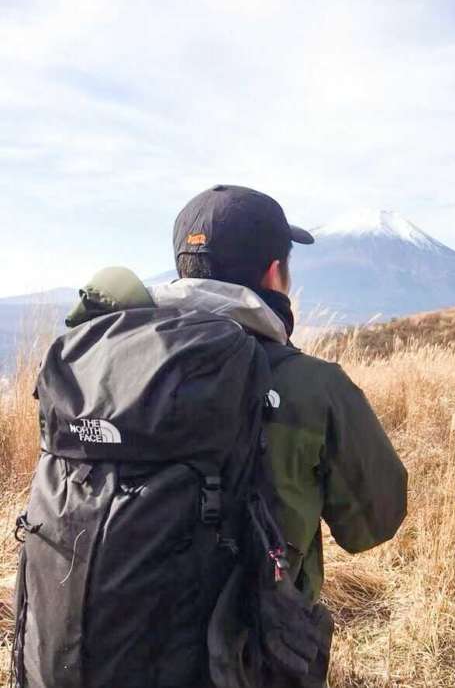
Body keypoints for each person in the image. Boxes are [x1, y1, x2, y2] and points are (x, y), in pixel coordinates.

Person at [64, 184, 408, 687]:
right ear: (275, 273)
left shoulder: (101, 367)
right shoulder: (313, 386)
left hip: (97, 651)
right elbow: (374, 523)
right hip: (242, 664)